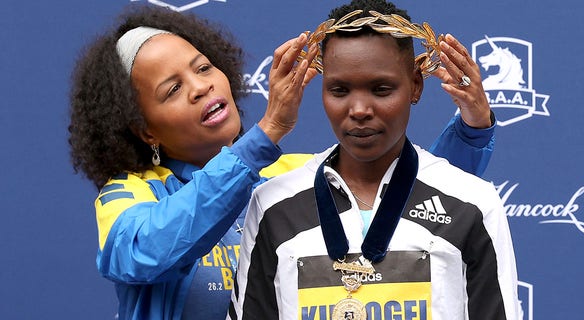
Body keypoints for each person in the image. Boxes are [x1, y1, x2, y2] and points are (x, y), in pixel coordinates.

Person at [68, 4, 494, 320]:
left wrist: (472, 130)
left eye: (203, 68)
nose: (201, 87)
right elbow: (144, 252)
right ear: (146, 130)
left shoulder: (287, 174)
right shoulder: (129, 193)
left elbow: (412, 201)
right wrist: (265, 135)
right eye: (172, 89)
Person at [229, 1, 518, 319]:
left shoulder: (473, 203)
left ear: (416, 85)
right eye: (339, 90)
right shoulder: (274, 206)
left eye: (381, 89)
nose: (359, 110)